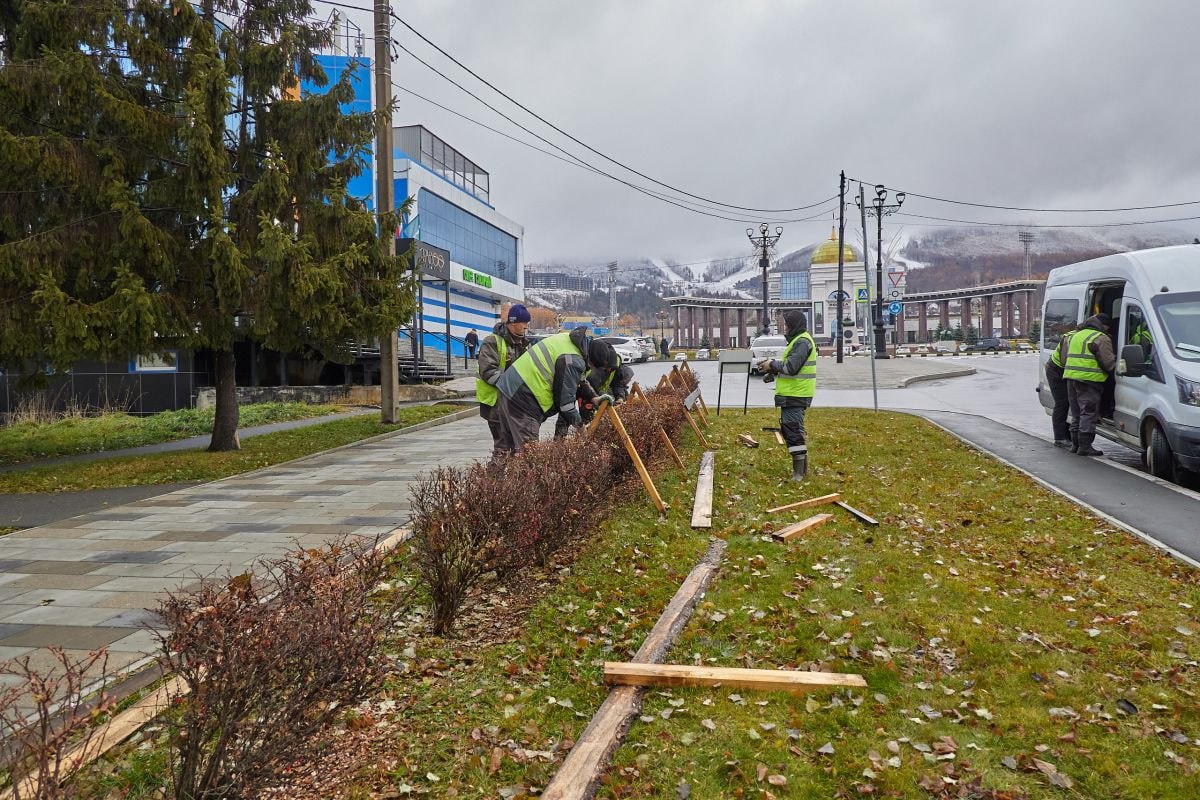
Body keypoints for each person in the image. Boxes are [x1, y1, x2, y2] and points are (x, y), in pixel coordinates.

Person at [492, 328, 617, 454]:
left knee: (507, 450)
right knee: (530, 455)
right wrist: (581, 428)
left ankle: (497, 467)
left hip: (510, 390)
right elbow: (566, 405)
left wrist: (595, 398)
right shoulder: (572, 360)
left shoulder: (576, 345)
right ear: (593, 362)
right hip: (522, 398)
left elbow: (579, 381)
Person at [756, 309, 815, 481]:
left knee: (792, 431)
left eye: (787, 325)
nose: (785, 328)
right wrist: (773, 370)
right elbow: (791, 366)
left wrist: (772, 364)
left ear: (794, 325)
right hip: (794, 393)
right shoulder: (799, 340)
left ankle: (799, 474)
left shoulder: (802, 342)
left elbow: (791, 367)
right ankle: (802, 471)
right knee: (794, 429)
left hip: (796, 393)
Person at [475, 306, 531, 447]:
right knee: (503, 446)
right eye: (524, 323)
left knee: (516, 445)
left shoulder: (525, 345)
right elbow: (488, 371)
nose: (526, 326)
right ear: (513, 322)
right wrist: (514, 385)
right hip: (495, 403)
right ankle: (498, 463)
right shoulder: (492, 341)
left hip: (515, 403)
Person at [1064, 313, 1115, 457]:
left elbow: (1063, 358)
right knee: (1088, 413)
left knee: (1076, 414)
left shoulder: (1076, 335)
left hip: (1071, 378)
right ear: (1104, 325)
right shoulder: (1100, 337)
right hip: (1089, 380)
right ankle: (1085, 446)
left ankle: (1075, 445)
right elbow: (1109, 364)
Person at [553, 360, 632, 439]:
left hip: (586, 388)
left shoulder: (614, 369)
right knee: (570, 414)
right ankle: (562, 439)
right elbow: (593, 385)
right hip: (582, 390)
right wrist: (598, 400)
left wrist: (620, 398)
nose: (629, 382)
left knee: (573, 415)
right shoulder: (603, 369)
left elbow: (618, 386)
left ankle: (567, 438)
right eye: (627, 381)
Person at [1045, 325, 1076, 448]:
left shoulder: (1080, 335)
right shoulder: (1070, 337)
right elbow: (1064, 360)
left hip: (1065, 371)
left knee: (1070, 402)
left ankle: (1068, 435)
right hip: (1056, 371)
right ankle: (1060, 438)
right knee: (1062, 403)